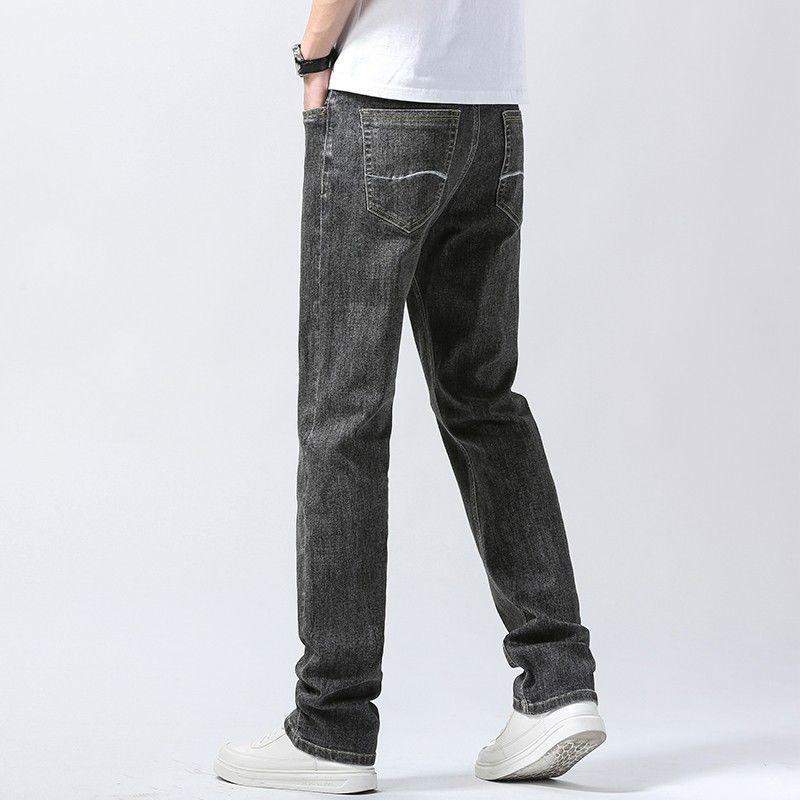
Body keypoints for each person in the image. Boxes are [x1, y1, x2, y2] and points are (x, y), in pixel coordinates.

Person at [214, 0, 604, 792]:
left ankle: (332, 727)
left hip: (385, 101)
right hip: (492, 110)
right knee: (483, 401)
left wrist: (314, 54)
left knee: (344, 415)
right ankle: (559, 684)